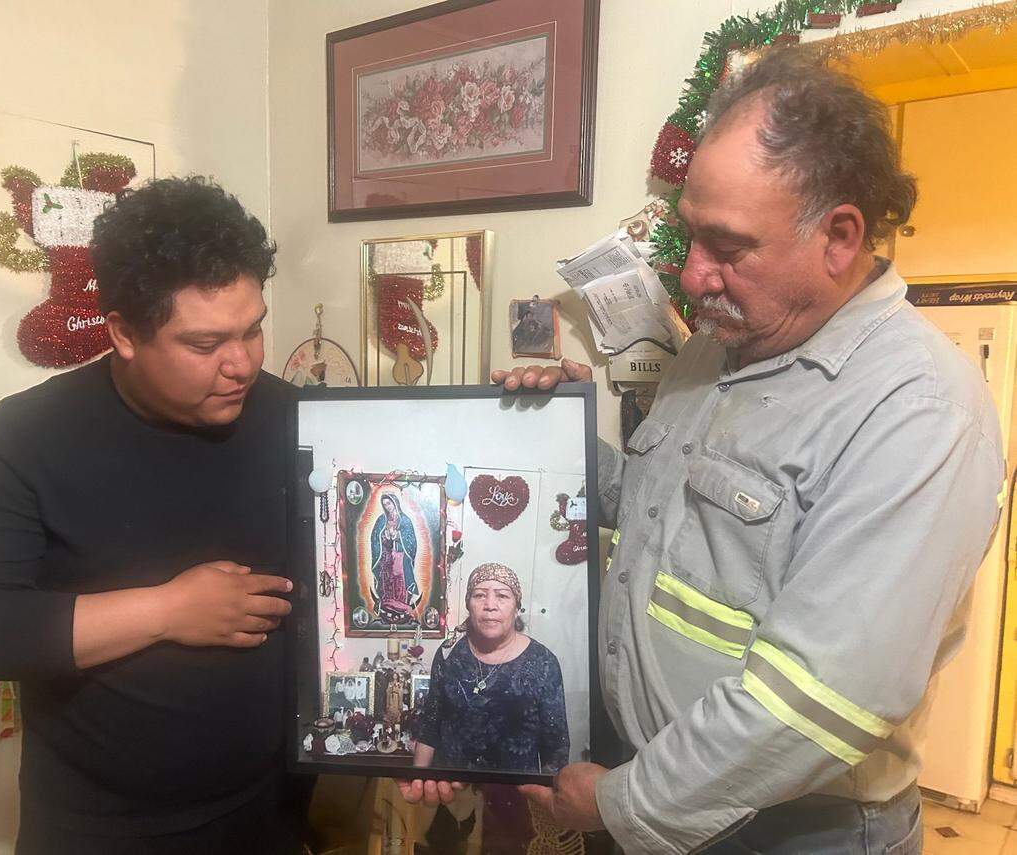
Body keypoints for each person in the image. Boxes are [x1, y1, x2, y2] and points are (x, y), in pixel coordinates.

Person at [464, 50, 1003, 853]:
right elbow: (660, 513)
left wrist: (621, 801)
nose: (693, 274)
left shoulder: (920, 408)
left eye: (728, 246)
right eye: (689, 237)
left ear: (840, 236)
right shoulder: (719, 345)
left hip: (787, 831)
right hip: (658, 789)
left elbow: (817, 700)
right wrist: (557, 431)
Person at [0, 177, 307, 854]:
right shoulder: (28, 438)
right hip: (101, 831)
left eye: (254, 329)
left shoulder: (293, 417)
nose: (241, 363)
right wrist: (166, 609)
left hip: (267, 815)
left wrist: (534, 406)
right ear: (123, 331)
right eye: (205, 343)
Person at [414, 563, 569, 774]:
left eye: (502, 596)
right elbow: (430, 725)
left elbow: (556, 749)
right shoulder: (449, 653)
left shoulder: (543, 662)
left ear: (517, 608)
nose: (490, 605)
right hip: (450, 792)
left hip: (515, 796)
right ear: (468, 604)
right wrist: (418, 779)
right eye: (479, 595)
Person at [369, 492, 420, 623]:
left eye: (389, 503)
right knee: (387, 579)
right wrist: (383, 537)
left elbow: (411, 541)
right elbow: (374, 537)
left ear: (395, 503)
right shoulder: (381, 520)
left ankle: (401, 605)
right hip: (386, 556)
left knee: (399, 579)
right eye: (385, 504)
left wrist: (397, 536)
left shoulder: (405, 520)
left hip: (400, 556)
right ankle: (387, 604)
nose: (387, 507)